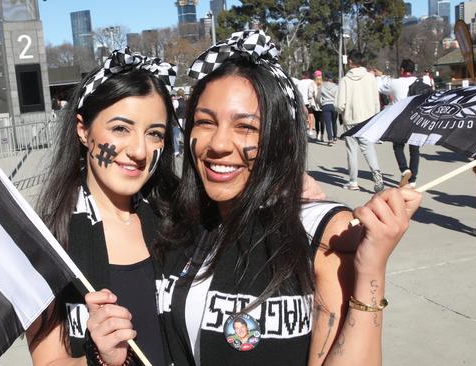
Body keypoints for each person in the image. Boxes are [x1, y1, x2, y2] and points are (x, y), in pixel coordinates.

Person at [84, 30, 422, 366]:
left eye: (246, 127)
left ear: (282, 139)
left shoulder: (324, 232)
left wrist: (371, 271)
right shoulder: (183, 224)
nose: (218, 144)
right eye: (205, 122)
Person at [25, 48, 179, 366]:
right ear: (83, 130)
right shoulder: (49, 240)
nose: (138, 150)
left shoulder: (179, 219)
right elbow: (48, 361)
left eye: (154, 134)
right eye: (120, 128)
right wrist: (101, 360)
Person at [336, 50, 385, 192]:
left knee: (352, 151)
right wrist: (376, 115)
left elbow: (339, 105)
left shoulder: (345, 80)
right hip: (367, 119)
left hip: (351, 118)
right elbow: (376, 100)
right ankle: (378, 179)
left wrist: (340, 111)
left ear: (350, 61)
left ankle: (353, 182)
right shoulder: (370, 78)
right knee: (369, 149)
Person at [376, 59, 421, 187]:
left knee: (398, 146)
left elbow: (379, 87)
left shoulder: (395, 83)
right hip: (416, 118)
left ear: (401, 69)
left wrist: (380, 76)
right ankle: (412, 180)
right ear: (413, 70)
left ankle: (404, 169)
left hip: (400, 119)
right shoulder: (419, 82)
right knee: (414, 149)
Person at [319, 72, 339, 146]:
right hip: (334, 105)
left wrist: (320, 104)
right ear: (331, 78)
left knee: (327, 123)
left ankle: (330, 140)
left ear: (326, 78)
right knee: (334, 122)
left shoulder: (322, 86)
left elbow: (318, 98)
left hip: (325, 105)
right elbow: (338, 96)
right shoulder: (336, 87)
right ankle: (335, 137)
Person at [296, 71, 316, 137]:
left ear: (303, 75)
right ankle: (310, 130)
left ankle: (303, 129)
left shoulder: (299, 82)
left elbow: (297, 92)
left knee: (302, 115)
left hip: (301, 101)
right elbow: (315, 91)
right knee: (311, 114)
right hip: (309, 101)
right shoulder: (312, 82)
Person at [311, 70, 325, 142]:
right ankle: (321, 135)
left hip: (315, 105)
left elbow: (310, 95)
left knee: (317, 121)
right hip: (322, 105)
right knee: (322, 121)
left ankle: (318, 134)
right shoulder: (323, 84)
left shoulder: (312, 84)